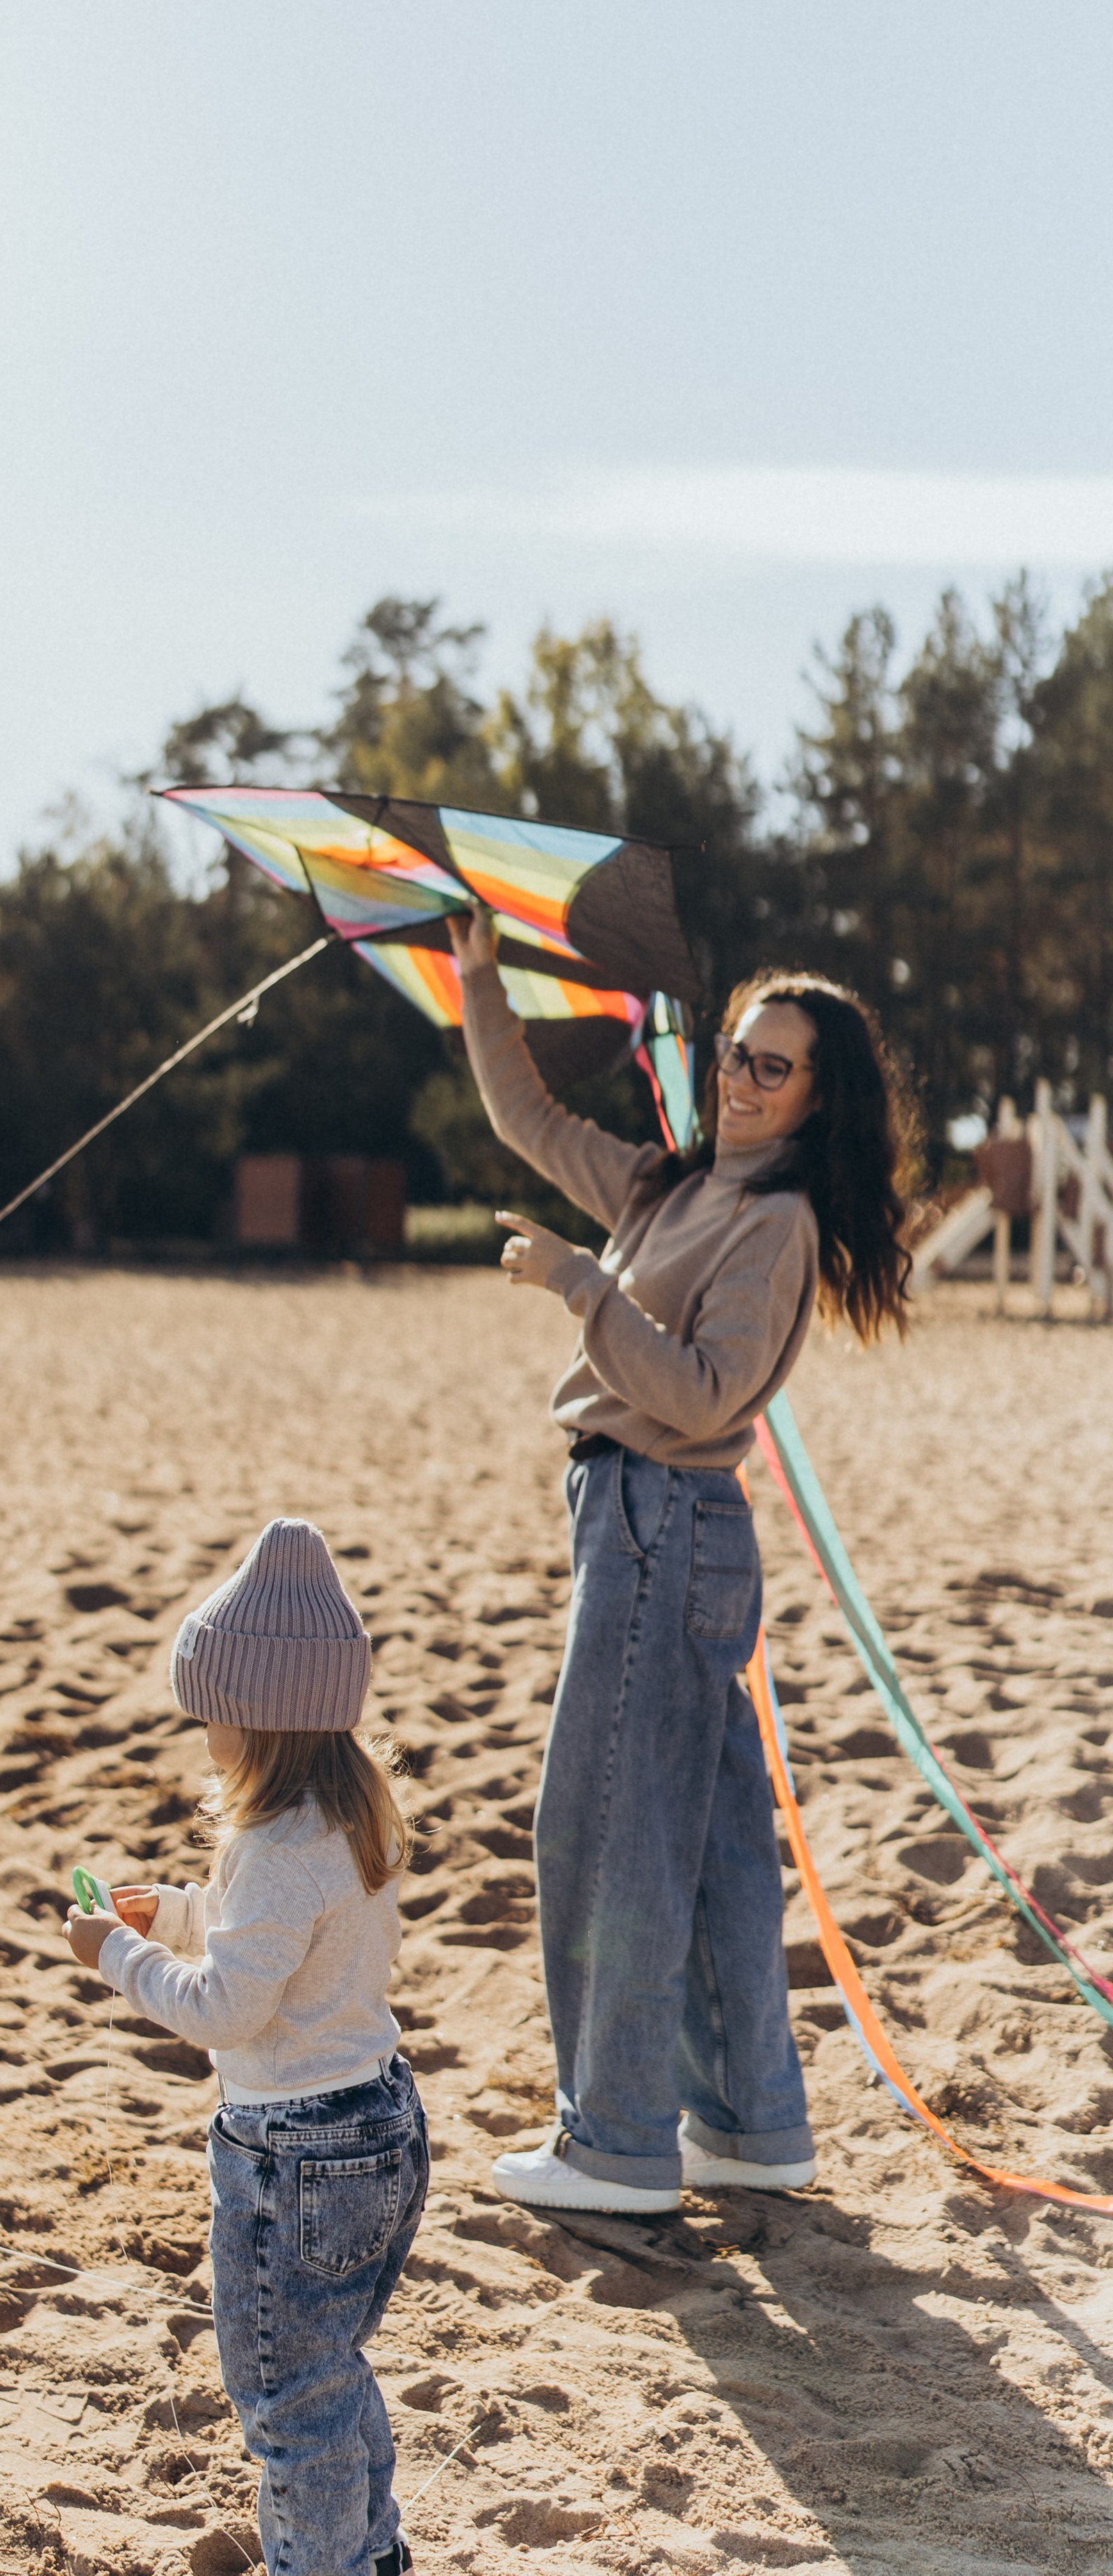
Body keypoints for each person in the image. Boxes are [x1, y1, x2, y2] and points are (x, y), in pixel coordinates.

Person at [447, 909, 914, 2214]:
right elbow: (529, 1122)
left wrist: (581, 1290)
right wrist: (483, 982)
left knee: (605, 1830)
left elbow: (707, 1397)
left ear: (820, 1098)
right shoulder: (674, 1186)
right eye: (736, 1054)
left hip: (669, 1524)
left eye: (774, 1066)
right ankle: (754, 2123)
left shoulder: (775, 1224)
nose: (742, 1078)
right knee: (707, 1844)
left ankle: (617, 2139)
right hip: (644, 1522)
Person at [64, 1519, 427, 2576]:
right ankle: (371, 2553)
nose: (203, 1731)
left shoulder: (273, 1848)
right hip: (382, 2121)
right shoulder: (347, 1813)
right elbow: (287, 1944)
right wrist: (174, 1913)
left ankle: (323, 2565)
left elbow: (227, 2008)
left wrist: (113, 1959)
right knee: (333, 2372)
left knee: (285, 2399)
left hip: (295, 2152)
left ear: (258, 1718)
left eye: (212, 1713)